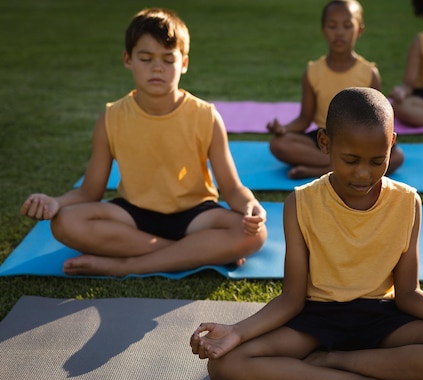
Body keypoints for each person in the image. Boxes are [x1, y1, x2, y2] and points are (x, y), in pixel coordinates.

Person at [191, 87, 423, 380]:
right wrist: (237, 331)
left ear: (392, 144)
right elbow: (291, 297)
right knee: (226, 367)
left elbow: (409, 294)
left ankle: (332, 362)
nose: (364, 174)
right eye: (350, 160)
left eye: (377, 161)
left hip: (383, 318)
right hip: (315, 320)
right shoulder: (300, 203)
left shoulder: (407, 202)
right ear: (325, 143)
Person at [19, 8, 267, 277]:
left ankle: (127, 265)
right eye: (146, 58)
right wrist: (56, 203)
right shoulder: (111, 117)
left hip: (196, 215)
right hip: (132, 216)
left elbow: (231, 188)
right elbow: (89, 192)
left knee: (255, 234)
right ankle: (193, 252)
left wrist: (250, 206)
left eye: (168, 59)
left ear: (184, 63)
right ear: (128, 59)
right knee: (64, 222)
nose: (157, 67)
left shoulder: (206, 116)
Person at [267, 0, 404, 179]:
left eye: (347, 26)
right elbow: (304, 119)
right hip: (324, 139)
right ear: (324, 30)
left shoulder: (369, 73)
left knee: (398, 156)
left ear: (359, 30)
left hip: (359, 139)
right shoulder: (312, 72)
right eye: (332, 26)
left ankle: (321, 170)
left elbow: (378, 118)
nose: (339, 32)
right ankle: (342, 166)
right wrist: (283, 130)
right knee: (278, 144)